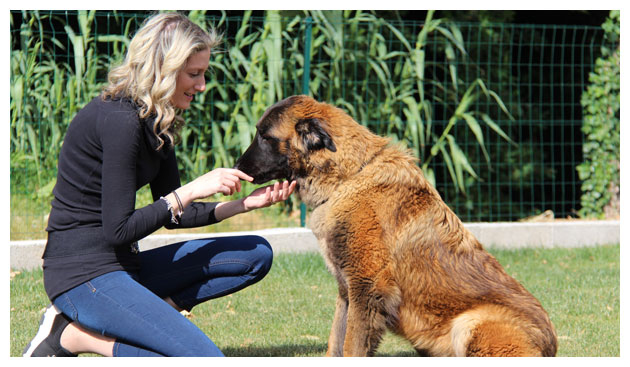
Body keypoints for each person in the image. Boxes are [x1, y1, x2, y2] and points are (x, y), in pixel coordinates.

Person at [22, 12, 296, 357]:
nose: (202, 85)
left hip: (125, 267)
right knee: (204, 359)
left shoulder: (158, 119)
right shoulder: (119, 121)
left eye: (204, 73)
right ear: (162, 69)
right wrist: (193, 188)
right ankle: (73, 335)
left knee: (256, 254)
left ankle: (148, 314)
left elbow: (173, 214)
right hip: (82, 274)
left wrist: (243, 205)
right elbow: (119, 230)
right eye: (194, 74)